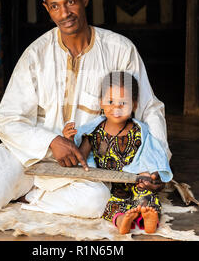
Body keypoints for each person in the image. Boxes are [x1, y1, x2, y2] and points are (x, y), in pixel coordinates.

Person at [0, 0, 172, 218]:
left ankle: (26, 195)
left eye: (70, 2)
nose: (64, 13)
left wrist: (156, 165)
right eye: (55, 6)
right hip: (27, 154)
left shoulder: (120, 50)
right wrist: (51, 140)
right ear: (46, 9)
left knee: (96, 202)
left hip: (85, 161)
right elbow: (9, 120)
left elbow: (149, 109)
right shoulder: (36, 54)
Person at [63, 71, 172, 234]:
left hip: (135, 183)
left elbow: (149, 156)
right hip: (110, 187)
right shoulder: (95, 133)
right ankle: (122, 220)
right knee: (109, 202)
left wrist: (150, 176)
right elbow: (81, 159)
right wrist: (70, 141)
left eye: (123, 103)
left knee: (146, 195)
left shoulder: (139, 132)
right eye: (110, 101)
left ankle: (149, 219)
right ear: (101, 102)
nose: (116, 107)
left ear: (134, 105)